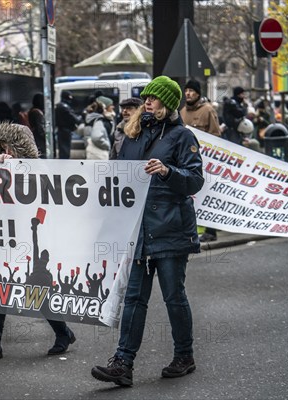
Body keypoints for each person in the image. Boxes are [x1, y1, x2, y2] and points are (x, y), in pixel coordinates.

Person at [91, 76, 204, 386]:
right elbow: (118, 175)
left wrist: (168, 171)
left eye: (154, 98)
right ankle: (122, 364)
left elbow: (195, 180)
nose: (147, 102)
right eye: (146, 98)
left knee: (173, 297)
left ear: (167, 104)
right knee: (134, 299)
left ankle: (185, 355)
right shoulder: (133, 134)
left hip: (171, 228)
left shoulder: (182, 136)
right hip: (138, 231)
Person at [0, 122, 76, 362]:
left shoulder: (38, 169)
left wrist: (15, 170)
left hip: (28, 240)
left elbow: (42, 199)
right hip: (4, 238)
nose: (6, 152)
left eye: (10, 147)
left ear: (23, 147)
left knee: (35, 291)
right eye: (2, 147)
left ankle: (63, 333)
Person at [179, 79, 220, 242]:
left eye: (191, 91)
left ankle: (211, 230)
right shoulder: (182, 111)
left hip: (204, 161)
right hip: (186, 162)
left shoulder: (208, 110)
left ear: (198, 93)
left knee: (207, 195)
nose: (188, 93)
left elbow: (216, 136)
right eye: (186, 90)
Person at [55, 91, 82, 159]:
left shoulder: (59, 106)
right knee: (65, 151)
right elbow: (74, 119)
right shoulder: (64, 107)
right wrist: (82, 116)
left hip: (62, 130)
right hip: (65, 131)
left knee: (64, 150)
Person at [28, 93, 46, 158]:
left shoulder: (32, 110)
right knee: (42, 153)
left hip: (35, 134)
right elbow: (40, 127)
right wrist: (46, 137)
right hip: (39, 137)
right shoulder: (37, 112)